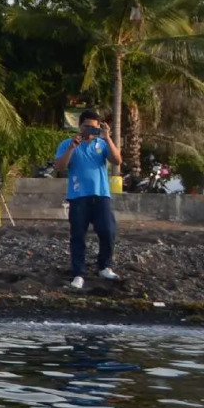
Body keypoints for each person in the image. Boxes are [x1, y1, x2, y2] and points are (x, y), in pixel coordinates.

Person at [55, 108, 122, 290]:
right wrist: (72, 147)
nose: (89, 131)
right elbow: (60, 166)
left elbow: (117, 160)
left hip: (101, 195)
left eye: (93, 127)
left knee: (108, 231)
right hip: (78, 197)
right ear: (79, 126)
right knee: (78, 236)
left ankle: (105, 266)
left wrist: (107, 137)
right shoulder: (67, 144)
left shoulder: (102, 144)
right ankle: (78, 274)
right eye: (86, 127)